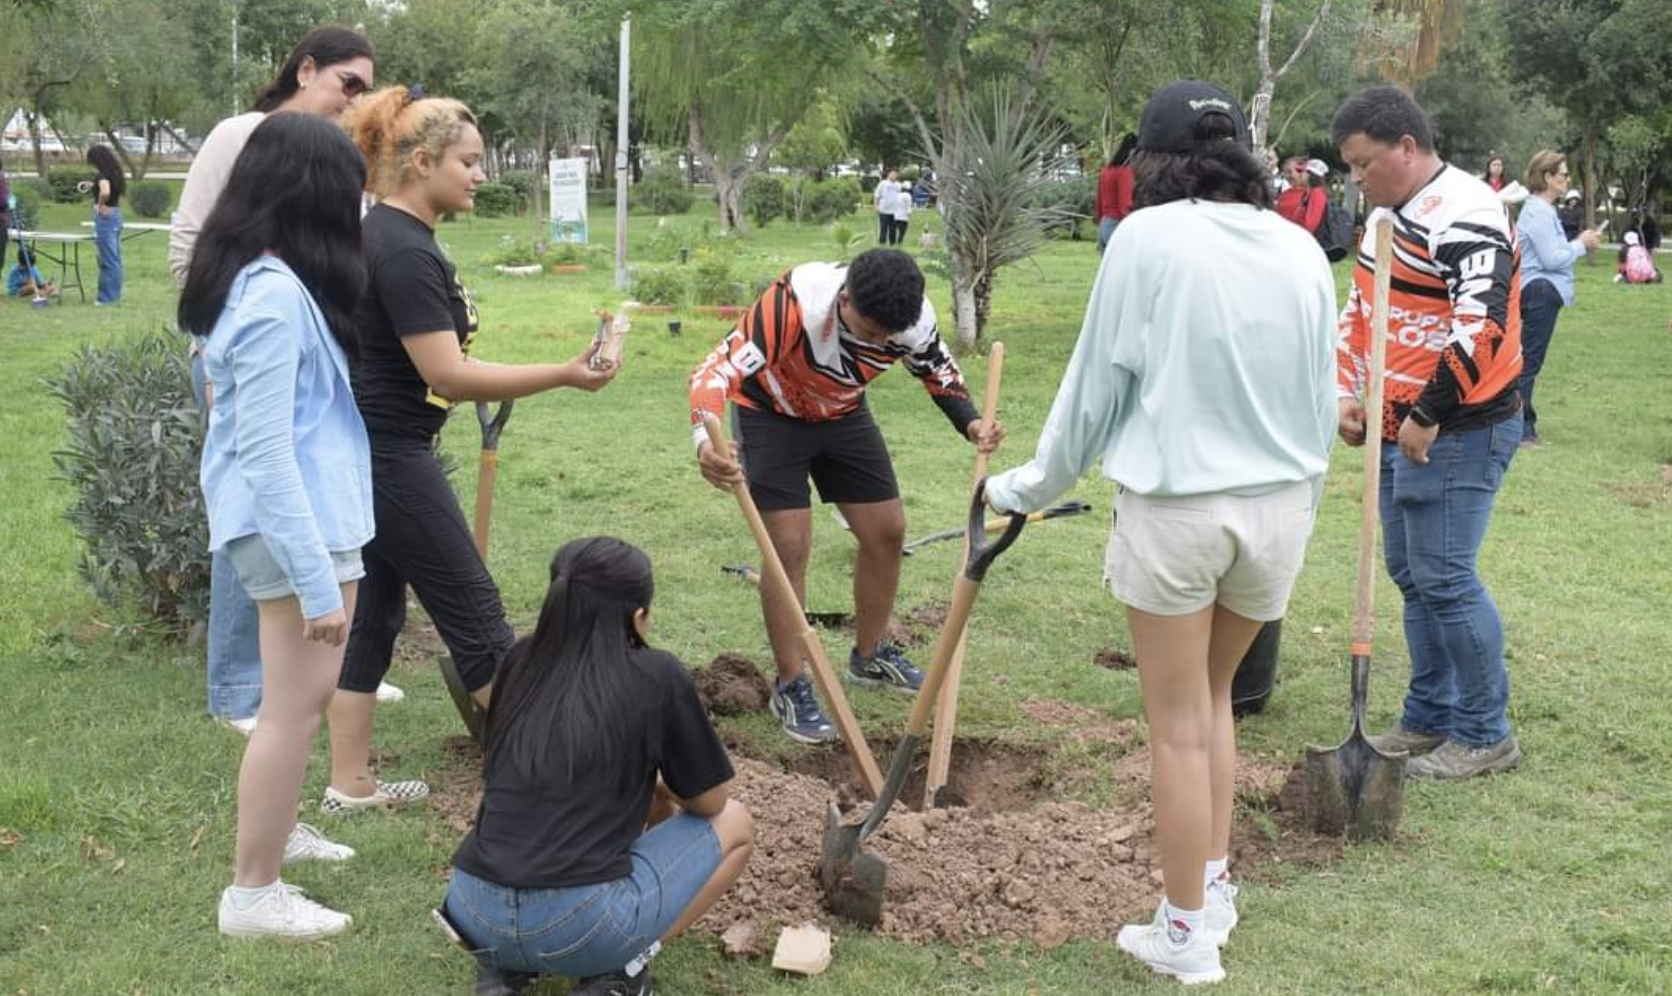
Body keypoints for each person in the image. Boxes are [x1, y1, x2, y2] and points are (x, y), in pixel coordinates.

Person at [986, 80, 1336, 986]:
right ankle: (1210, 887)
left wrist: (1019, 487)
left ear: (1151, 161)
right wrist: (1305, 509)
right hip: (1281, 509)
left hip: (1180, 510)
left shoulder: (1145, 239)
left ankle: (1186, 937)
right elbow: (1322, 397)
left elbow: (1092, 395)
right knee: (1213, 704)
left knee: (1178, 726)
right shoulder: (1300, 247)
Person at [324, 86, 618, 814]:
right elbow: (447, 374)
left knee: (375, 616)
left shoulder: (396, 237)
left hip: (377, 451)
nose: (481, 175)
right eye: (469, 161)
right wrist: (565, 375)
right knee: (479, 620)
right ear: (421, 162)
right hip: (388, 456)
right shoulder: (400, 250)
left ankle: (350, 783)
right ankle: (559, 790)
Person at [179, 112, 373, 938]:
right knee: (292, 710)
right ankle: (253, 894)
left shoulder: (266, 285)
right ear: (313, 197)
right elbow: (261, 450)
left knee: (299, 703)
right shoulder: (270, 300)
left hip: (310, 526)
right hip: (295, 533)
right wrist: (311, 576)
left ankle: (278, 828)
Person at [690, 248, 1003, 744]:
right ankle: (792, 684)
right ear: (845, 299)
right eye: (869, 331)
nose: (878, 343)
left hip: (842, 414)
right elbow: (712, 374)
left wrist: (970, 422)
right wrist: (705, 442)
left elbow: (936, 370)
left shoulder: (911, 319)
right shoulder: (791, 306)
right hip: (769, 414)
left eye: (887, 337)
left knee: (887, 530)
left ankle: (871, 655)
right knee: (787, 546)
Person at [170, 25, 381, 738]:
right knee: (259, 507)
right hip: (249, 343)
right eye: (348, 82)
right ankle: (240, 686)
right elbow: (193, 241)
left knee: (287, 500)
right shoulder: (242, 137)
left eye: (367, 90)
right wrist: (217, 337)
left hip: (300, 338)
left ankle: (293, 676)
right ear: (306, 69)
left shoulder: (334, 160)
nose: (356, 99)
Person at [441, 538, 754, 996]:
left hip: (473, 910)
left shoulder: (517, 661)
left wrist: (655, 794)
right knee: (736, 822)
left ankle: (503, 971)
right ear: (638, 618)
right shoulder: (657, 674)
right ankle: (622, 970)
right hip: (578, 925)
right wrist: (667, 786)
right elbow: (710, 801)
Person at [1333, 86, 1524, 781]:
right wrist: (1347, 392)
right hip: (1394, 422)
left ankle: (1483, 733)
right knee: (1413, 575)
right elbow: (1360, 309)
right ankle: (1428, 715)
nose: (1355, 177)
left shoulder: (1468, 211)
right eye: (1349, 166)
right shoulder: (1386, 215)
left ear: (1406, 148)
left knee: (1445, 577)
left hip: (1457, 427)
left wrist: (1427, 414)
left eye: (1364, 162)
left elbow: (1483, 323)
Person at [1516, 150, 1600, 448]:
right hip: (1540, 290)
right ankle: (1521, 431)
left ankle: (1521, 425)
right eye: (1563, 174)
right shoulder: (1539, 211)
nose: (1567, 179)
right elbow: (1552, 259)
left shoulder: (1542, 210)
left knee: (1527, 361)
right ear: (1547, 177)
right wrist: (1581, 244)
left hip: (1540, 290)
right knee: (1528, 363)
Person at [85, 144, 125, 306]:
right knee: (115, 258)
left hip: (106, 219)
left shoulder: (102, 176)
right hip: (116, 215)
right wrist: (92, 186)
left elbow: (106, 191)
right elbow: (113, 193)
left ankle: (107, 298)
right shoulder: (115, 173)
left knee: (108, 260)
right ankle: (114, 294)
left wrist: (100, 205)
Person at [1095, 133, 1137, 253]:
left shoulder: (1106, 170)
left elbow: (1099, 202)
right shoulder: (1125, 172)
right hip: (1116, 226)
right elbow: (1125, 205)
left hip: (1104, 225)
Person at [1275, 158, 1329, 235]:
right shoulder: (1309, 192)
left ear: (1309, 174)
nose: (1300, 174)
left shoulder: (1317, 193)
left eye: (1301, 171)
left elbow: (1309, 225)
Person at [873, 169, 901, 244]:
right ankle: (882, 243)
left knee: (893, 229)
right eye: (892, 174)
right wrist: (876, 206)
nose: (894, 176)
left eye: (896, 174)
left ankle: (893, 244)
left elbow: (901, 197)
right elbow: (877, 195)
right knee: (883, 229)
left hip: (895, 211)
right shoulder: (883, 183)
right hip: (883, 210)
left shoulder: (898, 185)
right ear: (889, 174)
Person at [889, 177, 913, 245]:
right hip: (903, 217)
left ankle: (892, 243)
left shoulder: (897, 194)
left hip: (895, 216)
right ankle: (899, 243)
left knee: (894, 231)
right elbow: (908, 208)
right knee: (901, 232)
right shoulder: (908, 196)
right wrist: (909, 217)